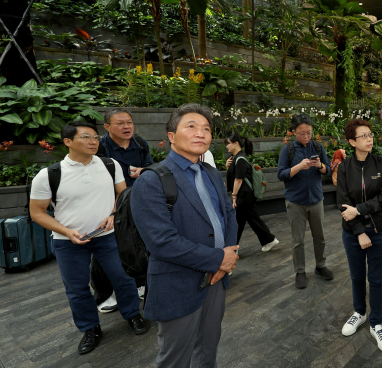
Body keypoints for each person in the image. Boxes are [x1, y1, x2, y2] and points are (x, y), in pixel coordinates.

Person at [130, 103, 239, 367]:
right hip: (178, 282)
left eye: (206, 129)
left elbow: (229, 216)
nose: (201, 133)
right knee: (175, 358)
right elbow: (161, 242)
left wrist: (228, 257)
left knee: (208, 349)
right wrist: (218, 259)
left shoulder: (211, 172)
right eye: (191, 127)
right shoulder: (151, 180)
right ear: (171, 136)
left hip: (216, 280)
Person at [29, 121, 148, 356]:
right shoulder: (49, 175)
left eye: (95, 137)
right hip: (68, 242)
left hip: (108, 236)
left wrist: (114, 214)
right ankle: (90, 328)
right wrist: (66, 232)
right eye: (86, 137)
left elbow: (122, 195)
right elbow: (37, 212)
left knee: (123, 278)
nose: (94, 141)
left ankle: (133, 315)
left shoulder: (110, 165)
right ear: (67, 142)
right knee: (76, 288)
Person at [336, 119, 382, 353]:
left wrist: (359, 210)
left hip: (379, 231)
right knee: (357, 277)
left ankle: (376, 323)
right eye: (363, 136)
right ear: (351, 142)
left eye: (370, 134)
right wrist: (359, 232)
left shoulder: (381, 163)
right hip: (352, 234)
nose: (369, 139)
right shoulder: (344, 167)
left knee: (377, 280)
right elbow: (343, 203)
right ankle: (359, 313)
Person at [93, 108, 154, 313]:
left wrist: (143, 171)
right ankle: (104, 294)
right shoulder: (99, 147)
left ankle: (140, 284)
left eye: (129, 122)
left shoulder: (139, 143)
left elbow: (150, 166)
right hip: (108, 205)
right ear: (107, 126)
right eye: (120, 123)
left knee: (138, 245)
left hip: (136, 202)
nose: (126, 127)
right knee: (105, 249)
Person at [277, 113, 333, 289]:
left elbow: (329, 170)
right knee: (298, 240)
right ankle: (300, 271)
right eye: (302, 133)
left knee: (320, 237)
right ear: (294, 132)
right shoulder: (288, 150)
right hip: (296, 202)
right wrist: (298, 167)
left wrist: (320, 166)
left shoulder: (317, 147)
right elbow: (281, 174)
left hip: (316, 199)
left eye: (309, 133)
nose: (306, 137)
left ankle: (321, 266)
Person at [224, 133, 279, 251]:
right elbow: (234, 176)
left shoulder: (240, 159)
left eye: (228, 143)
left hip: (244, 195)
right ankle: (269, 240)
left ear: (236, 143)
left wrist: (234, 197)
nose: (226, 146)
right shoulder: (237, 158)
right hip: (246, 195)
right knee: (252, 219)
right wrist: (228, 167)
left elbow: (238, 180)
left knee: (237, 221)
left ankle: (234, 248)